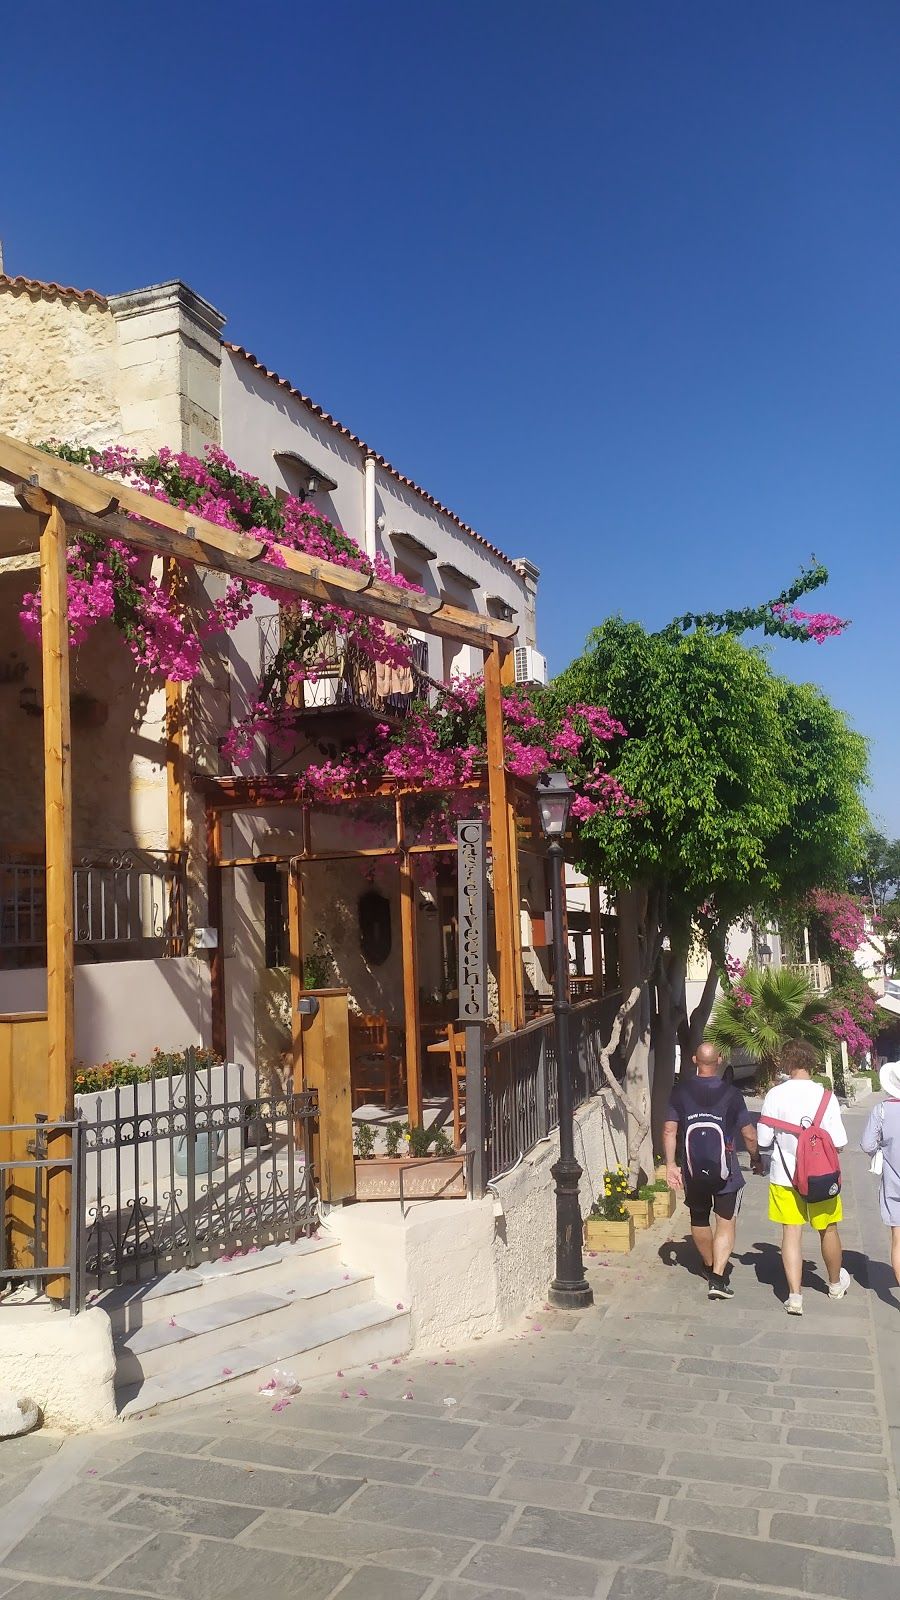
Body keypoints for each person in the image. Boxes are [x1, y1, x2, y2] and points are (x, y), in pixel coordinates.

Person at [757, 1039, 850, 1314]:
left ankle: (795, 1296)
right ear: (811, 1063)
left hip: (784, 1177)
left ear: (787, 1062)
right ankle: (834, 1284)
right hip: (820, 1178)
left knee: (791, 1232)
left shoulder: (774, 1095)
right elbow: (840, 1141)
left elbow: (763, 1139)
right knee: (828, 1229)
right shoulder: (826, 1097)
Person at [664, 1041, 762, 1300]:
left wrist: (671, 1165)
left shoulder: (680, 1092)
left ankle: (708, 1266)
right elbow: (749, 1134)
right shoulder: (731, 1094)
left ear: (695, 1061)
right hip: (726, 1170)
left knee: (699, 1217)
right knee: (726, 1221)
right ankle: (718, 1277)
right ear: (718, 1060)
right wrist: (756, 1158)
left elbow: (669, 1130)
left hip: (692, 1169)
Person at [860, 1059, 900, 1287]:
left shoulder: (882, 1109)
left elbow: (867, 1145)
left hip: (893, 1183)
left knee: (898, 1239)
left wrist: (881, 1149)